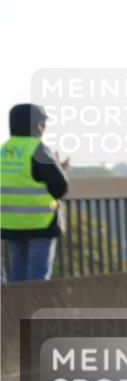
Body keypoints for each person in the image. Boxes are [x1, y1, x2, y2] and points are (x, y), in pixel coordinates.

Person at [1, 104, 69, 282]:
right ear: (37, 124)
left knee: (16, 277)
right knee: (37, 279)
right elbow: (60, 186)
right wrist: (59, 170)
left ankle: (15, 310)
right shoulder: (38, 149)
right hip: (41, 222)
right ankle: (33, 310)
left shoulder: (4, 151)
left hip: (11, 224)